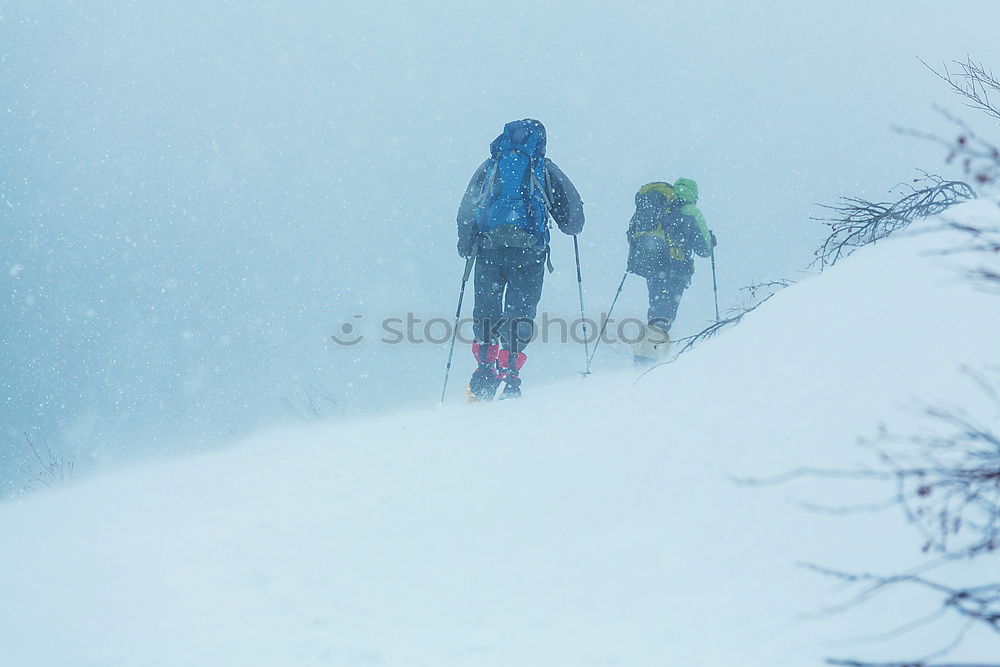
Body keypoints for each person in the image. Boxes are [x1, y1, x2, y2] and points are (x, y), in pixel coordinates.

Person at [456, 119, 584, 400]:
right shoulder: (545, 168)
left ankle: (484, 370)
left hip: (489, 248)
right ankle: (509, 373)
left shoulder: (491, 165)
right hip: (529, 252)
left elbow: (469, 205)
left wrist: (466, 242)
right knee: (520, 309)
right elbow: (572, 217)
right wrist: (570, 225)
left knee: (486, 307)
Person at [625, 178, 716, 364]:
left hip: (653, 266)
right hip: (675, 268)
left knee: (658, 308)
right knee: (664, 313)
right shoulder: (690, 211)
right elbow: (704, 250)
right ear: (694, 194)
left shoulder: (663, 207)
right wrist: (711, 240)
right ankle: (647, 360)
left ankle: (652, 355)